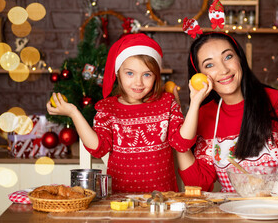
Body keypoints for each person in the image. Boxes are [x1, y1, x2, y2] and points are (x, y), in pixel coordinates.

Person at [176, 32, 278, 192]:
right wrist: (177, 128)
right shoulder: (204, 115)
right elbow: (198, 184)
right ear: (200, 76)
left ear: (240, 58)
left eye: (228, 57)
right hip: (231, 213)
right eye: (209, 65)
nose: (224, 70)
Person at [47, 33, 198, 193]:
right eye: (130, 73)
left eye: (147, 74)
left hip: (162, 200)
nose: (138, 82)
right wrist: (74, 113)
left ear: (156, 76)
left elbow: (183, 143)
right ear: (118, 72)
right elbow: (98, 148)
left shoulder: (166, 102)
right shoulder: (108, 109)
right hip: (121, 200)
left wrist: (195, 102)